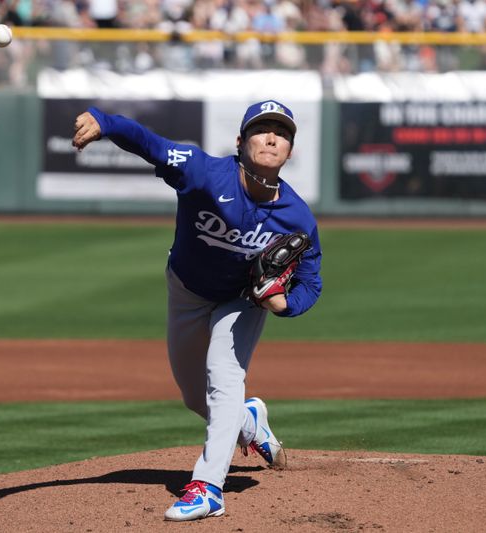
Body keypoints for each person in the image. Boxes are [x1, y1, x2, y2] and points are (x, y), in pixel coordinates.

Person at [71, 100, 323, 522]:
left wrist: (284, 304)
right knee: (194, 395)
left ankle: (208, 488)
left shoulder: (297, 216)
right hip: (186, 290)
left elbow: (311, 283)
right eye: (262, 130)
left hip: (242, 300)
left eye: (282, 133)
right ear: (241, 142)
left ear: (290, 151)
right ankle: (249, 421)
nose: (272, 138)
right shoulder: (202, 171)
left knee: (224, 374)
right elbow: (150, 144)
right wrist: (105, 121)